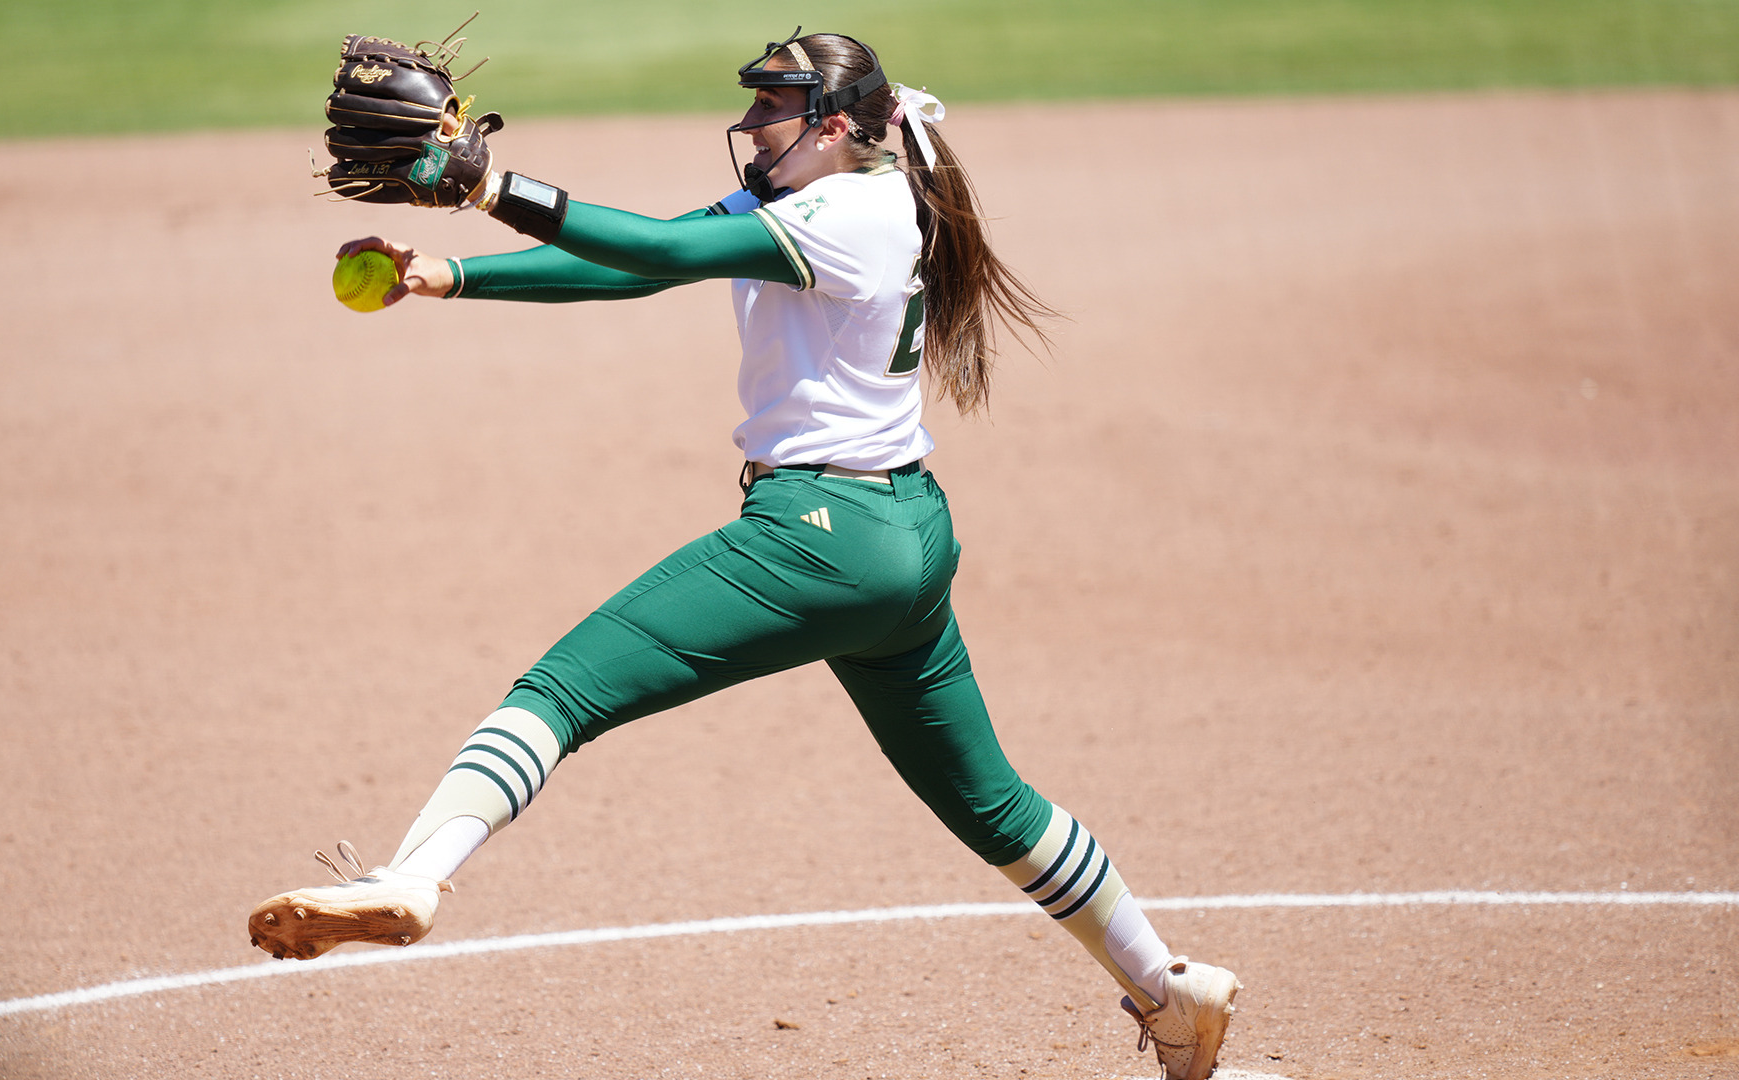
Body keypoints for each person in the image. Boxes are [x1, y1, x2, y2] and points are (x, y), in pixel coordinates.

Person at [249, 29, 1240, 1080]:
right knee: (993, 806)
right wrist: (452, 275)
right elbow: (637, 262)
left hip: (817, 539)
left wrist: (490, 183)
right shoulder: (813, 203)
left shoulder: (846, 211)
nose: (752, 122)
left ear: (840, 128)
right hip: (905, 539)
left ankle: (413, 878)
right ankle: (1168, 995)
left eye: (774, 106)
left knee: (561, 690)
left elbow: (663, 255)